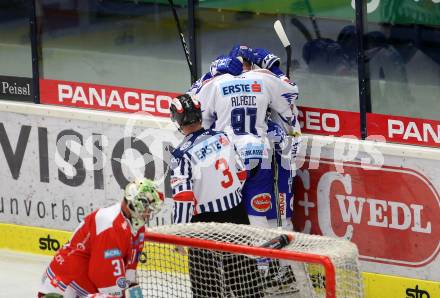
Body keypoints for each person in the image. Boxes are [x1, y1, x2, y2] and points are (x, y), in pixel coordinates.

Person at [191, 45, 301, 231]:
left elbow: (188, 102)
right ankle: (266, 260)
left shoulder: (217, 82)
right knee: (264, 218)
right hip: (264, 155)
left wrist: (213, 71)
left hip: (229, 160)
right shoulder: (264, 78)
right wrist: (274, 68)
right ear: (252, 64)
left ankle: (232, 256)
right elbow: (291, 91)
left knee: (227, 213)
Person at [169, 93, 263, 298]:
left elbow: (183, 198)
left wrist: (178, 234)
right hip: (236, 214)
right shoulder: (223, 137)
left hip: (203, 224)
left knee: (206, 287)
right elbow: (241, 172)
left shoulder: (181, 155)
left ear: (177, 120)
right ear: (199, 116)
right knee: (244, 279)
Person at [38, 178, 163, 298]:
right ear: (135, 204)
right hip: (64, 286)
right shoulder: (110, 224)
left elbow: (129, 272)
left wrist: (133, 294)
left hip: (87, 287)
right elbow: (104, 278)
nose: (149, 213)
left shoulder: (137, 225)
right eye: (147, 208)